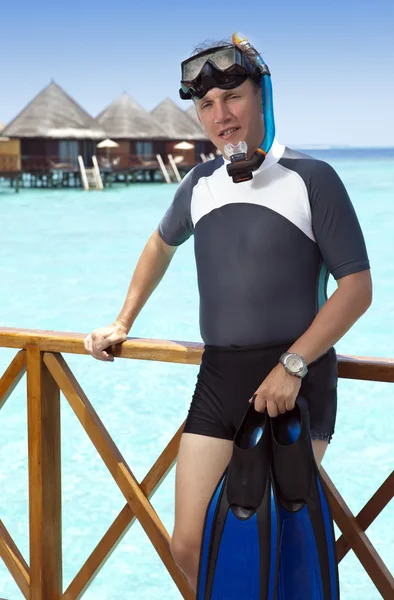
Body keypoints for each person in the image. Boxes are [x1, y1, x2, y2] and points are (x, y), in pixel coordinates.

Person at [84, 35, 372, 591]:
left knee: (280, 549)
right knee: (189, 545)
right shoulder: (199, 184)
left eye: (232, 97)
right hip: (219, 377)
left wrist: (293, 365)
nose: (220, 115)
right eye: (206, 105)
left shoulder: (313, 179)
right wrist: (124, 321)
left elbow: (356, 289)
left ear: (261, 95)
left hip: (295, 383)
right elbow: (159, 246)